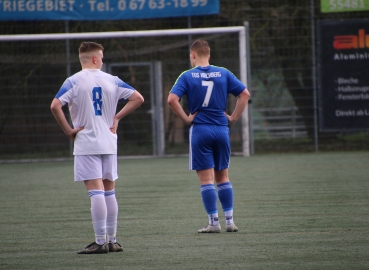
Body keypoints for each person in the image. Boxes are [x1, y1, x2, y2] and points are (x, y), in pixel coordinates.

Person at [50, 41, 144, 254]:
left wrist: (68, 130)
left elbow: (55, 105)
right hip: (109, 142)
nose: (102, 60)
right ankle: (112, 240)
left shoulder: (73, 80)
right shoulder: (113, 80)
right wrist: (117, 117)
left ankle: (100, 241)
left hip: (87, 143)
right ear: (94, 58)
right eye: (101, 57)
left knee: (96, 192)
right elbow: (138, 98)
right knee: (109, 192)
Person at [167, 39, 250, 233]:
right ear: (209, 55)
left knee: (206, 180)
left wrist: (187, 119)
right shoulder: (223, 72)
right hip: (221, 129)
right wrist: (233, 118)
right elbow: (244, 94)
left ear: (193, 55)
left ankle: (214, 223)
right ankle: (230, 221)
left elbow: (172, 99)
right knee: (223, 177)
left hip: (201, 130)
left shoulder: (187, 76)